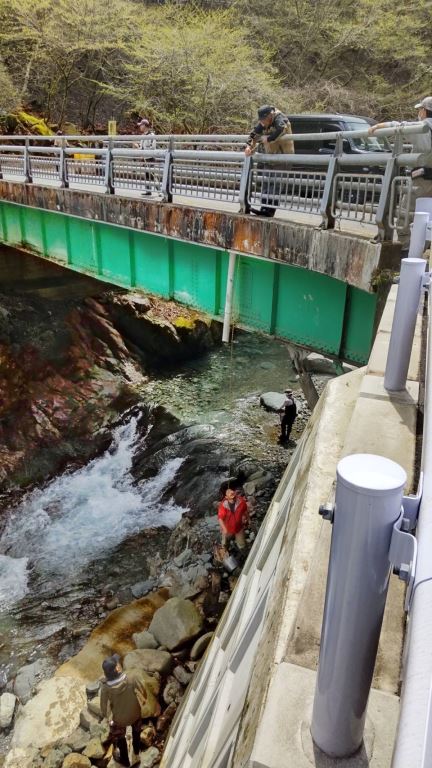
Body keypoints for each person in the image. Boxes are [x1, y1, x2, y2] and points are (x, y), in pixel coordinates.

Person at [369, 97, 432, 252]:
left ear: (424, 111)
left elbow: (399, 126)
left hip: (422, 180)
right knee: (428, 220)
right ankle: (425, 253)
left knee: (405, 218)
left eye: (419, 110)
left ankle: (410, 255)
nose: (419, 113)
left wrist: (378, 126)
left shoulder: (423, 127)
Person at [244, 106, 294, 217]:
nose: (262, 123)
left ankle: (270, 210)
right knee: (266, 183)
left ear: (270, 116)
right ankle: (263, 208)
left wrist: (268, 139)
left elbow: (281, 130)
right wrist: (248, 146)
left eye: (264, 120)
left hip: (283, 157)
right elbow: (253, 135)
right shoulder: (263, 122)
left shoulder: (280, 118)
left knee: (275, 185)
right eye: (261, 120)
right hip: (270, 157)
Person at [100, 654, 144, 767]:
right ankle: (136, 752)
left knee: (119, 735)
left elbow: (104, 709)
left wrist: (108, 720)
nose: (119, 664)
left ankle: (124, 759)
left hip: (120, 720)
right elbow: (143, 692)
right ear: (117, 668)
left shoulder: (105, 688)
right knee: (136, 731)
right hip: (135, 714)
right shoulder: (131, 678)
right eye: (117, 663)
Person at [217, 487, 249, 552]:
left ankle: (243, 554)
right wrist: (224, 529)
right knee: (225, 544)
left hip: (239, 528)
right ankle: (225, 551)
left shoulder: (241, 501)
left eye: (234, 497)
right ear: (226, 497)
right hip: (227, 529)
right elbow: (220, 518)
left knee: (242, 545)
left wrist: (247, 518)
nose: (234, 499)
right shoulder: (223, 506)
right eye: (231, 498)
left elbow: (245, 510)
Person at [134, 118, 156, 196]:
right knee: (147, 175)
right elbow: (141, 147)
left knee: (152, 175)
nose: (140, 127)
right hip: (144, 158)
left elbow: (152, 147)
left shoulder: (151, 135)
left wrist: (144, 152)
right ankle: (148, 191)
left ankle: (159, 190)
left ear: (145, 126)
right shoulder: (142, 136)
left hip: (150, 158)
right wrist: (137, 146)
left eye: (141, 125)